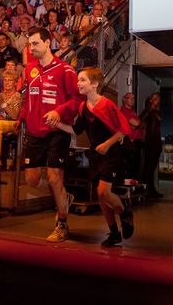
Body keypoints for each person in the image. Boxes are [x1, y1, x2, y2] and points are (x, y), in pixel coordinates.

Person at [54, 67, 134, 247]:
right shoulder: (83, 107)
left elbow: (123, 130)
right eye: (78, 80)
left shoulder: (107, 104)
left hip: (112, 153)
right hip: (96, 154)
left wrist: (107, 144)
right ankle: (114, 233)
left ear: (95, 84)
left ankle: (124, 211)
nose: (78, 84)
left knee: (103, 192)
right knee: (101, 197)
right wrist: (57, 123)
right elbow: (75, 130)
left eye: (82, 80)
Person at [16, 26, 83, 243]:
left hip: (57, 132)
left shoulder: (65, 70)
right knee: (32, 180)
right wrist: (21, 118)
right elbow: (28, 99)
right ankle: (64, 196)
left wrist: (59, 111)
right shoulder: (29, 71)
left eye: (35, 43)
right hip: (34, 132)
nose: (31, 48)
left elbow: (76, 100)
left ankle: (62, 223)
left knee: (55, 177)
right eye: (29, 44)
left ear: (47, 43)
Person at [119, 92, 144, 180]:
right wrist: (138, 124)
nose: (133, 100)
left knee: (136, 168)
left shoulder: (132, 111)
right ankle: (129, 191)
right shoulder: (124, 111)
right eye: (130, 98)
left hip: (136, 143)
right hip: (130, 143)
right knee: (130, 169)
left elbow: (139, 124)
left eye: (133, 98)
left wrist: (138, 124)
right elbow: (137, 123)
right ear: (125, 99)